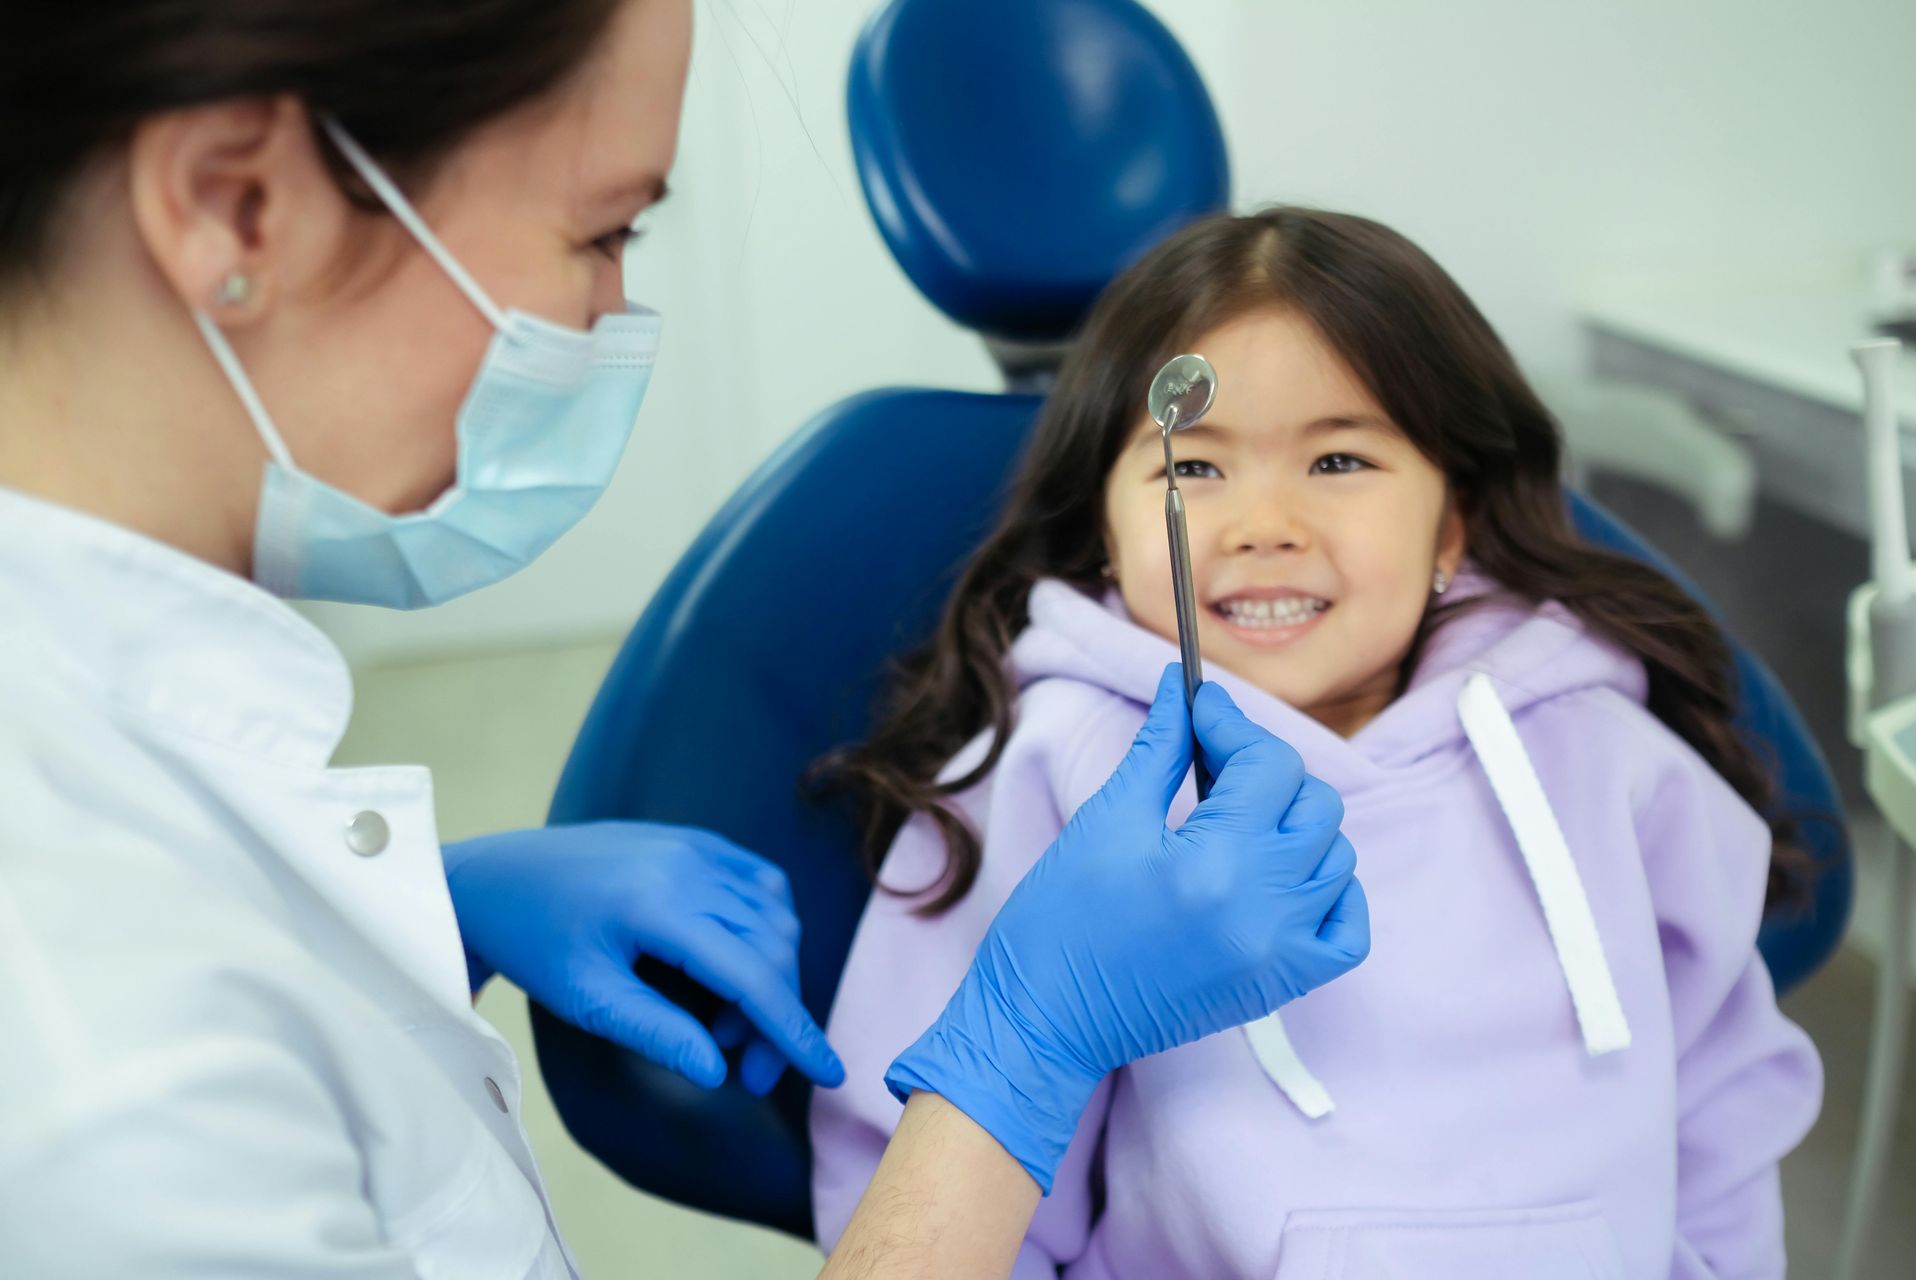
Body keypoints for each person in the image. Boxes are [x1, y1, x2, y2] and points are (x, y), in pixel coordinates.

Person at [0, 4, 1369, 1276]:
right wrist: (1025, 1050)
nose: (609, 320)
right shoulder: (113, 1077)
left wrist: (417, 909)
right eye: (604, 233)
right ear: (238, 206)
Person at [811, 207, 1824, 1278]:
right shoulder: (1050, 777)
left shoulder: (1608, 756)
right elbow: (932, 1169)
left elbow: (1723, 1103)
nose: (1265, 523)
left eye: (1339, 458)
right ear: (1104, 528)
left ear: (1449, 524)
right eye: (1194, 470)